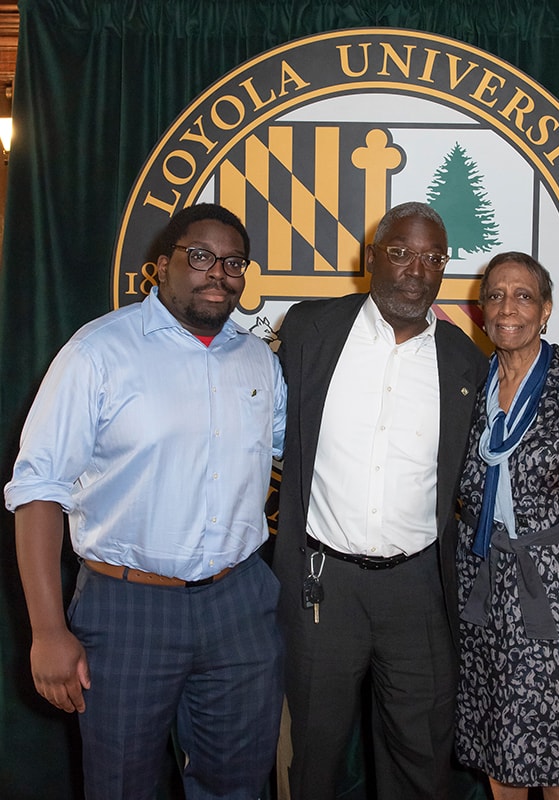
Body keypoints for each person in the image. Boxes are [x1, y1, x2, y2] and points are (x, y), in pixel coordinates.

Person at [4, 203, 287, 800]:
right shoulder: (97, 353)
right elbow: (38, 491)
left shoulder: (258, 359)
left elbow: (299, 449)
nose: (219, 273)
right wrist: (48, 630)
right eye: (202, 256)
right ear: (162, 266)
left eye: (234, 262)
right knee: (122, 786)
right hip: (126, 607)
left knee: (238, 785)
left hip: (240, 605)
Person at [273, 201, 488, 800]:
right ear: (371, 258)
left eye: (432, 258)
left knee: (421, 761)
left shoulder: (464, 360)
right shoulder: (309, 330)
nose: (416, 269)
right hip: (323, 586)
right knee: (313, 758)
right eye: (400, 252)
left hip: (418, 591)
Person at [454, 251, 559, 800]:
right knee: (499, 748)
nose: (508, 308)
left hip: (556, 593)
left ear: (546, 310)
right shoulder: (469, 389)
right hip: (481, 584)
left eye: (523, 296)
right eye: (496, 295)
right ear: (481, 309)